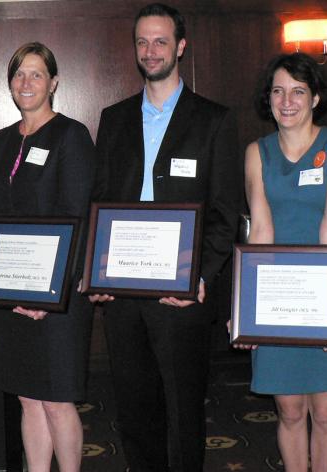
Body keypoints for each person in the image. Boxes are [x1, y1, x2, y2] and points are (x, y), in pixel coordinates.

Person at [89, 4, 244, 470]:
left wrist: (201, 275)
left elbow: (224, 211)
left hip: (183, 290)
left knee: (183, 409)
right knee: (134, 411)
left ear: (180, 46)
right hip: (122, 291)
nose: (150, 50)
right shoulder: (113, 119)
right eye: (142, 41)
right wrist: (94, 271)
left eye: (160, 41)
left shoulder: (213, 120)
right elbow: (99, 202)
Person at [0, 42, 95, 472]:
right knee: (26, 398)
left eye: (37, 74)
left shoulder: (71, 136)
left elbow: (79, 217)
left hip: (57, 299)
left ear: (54, 82)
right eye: (19, 75)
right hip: (10, 289)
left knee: (57, 401)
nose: (27, 83)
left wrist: (50, 294)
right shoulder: (1, 141)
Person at [236, 53, 327, 472]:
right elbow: (261, 233)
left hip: (326, 299)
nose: (287, 101)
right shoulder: (258, 152)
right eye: (278, 91)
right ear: (267, 98)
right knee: (289, 411)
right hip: (278, 302)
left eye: (298, 91)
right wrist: (248, 312)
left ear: (315, 96)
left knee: (325, 414)